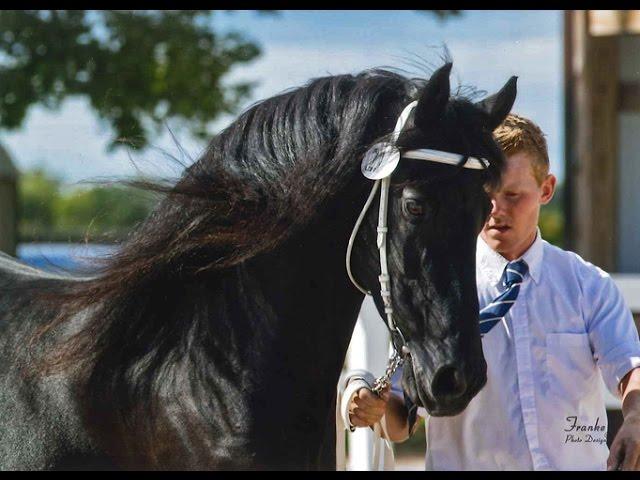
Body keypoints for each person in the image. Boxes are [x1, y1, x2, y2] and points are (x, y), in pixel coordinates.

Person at [343, 113, 640, 471]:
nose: (497, 211)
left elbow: (629, 367)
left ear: (546, 190)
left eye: (513, 195)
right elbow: (403, 418)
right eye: (487, 196)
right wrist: (374, 409)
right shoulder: (436, 291)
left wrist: (635, 421)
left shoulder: (587, 285)